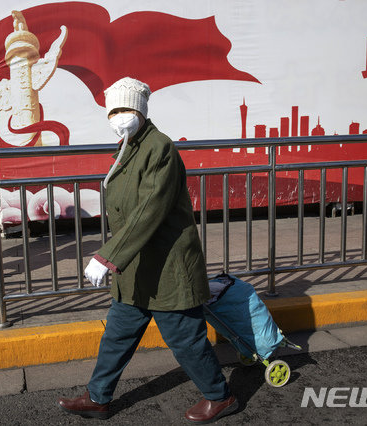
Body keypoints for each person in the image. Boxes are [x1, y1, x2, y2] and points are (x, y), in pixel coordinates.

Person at [57, 77, 239, 423]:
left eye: (125, 109)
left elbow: (149, 208)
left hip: (168, 265)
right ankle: (98, 397)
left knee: (185, 339)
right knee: (117, 335)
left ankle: (220, 396)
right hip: (137, 266)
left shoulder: (159, 147)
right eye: (113, 111)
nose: (119, 117)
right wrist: (117, 256)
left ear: (140, 110)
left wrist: (108, 255)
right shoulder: (129, 148)